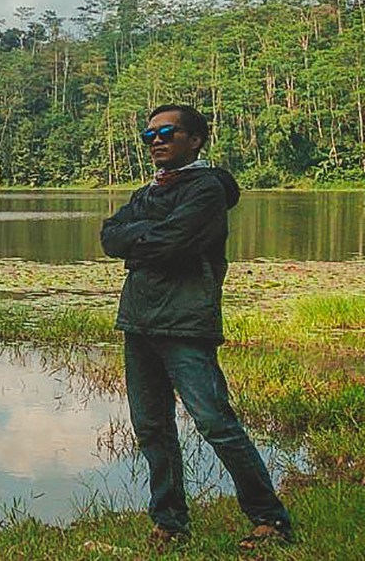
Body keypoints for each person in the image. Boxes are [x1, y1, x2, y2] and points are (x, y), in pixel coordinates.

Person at [100, 104, 293, 550]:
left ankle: (270, 518)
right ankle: (170, 523)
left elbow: (173, 242)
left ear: (195, 139)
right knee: (152, 427)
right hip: (140, 320)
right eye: (149, 136)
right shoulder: (148, 191)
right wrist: (141, 237)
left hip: (186, 322)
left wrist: (138, 241)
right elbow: (111, 236)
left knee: (215, 422)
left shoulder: (206, 189)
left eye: (167, 132)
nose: (157, 141)